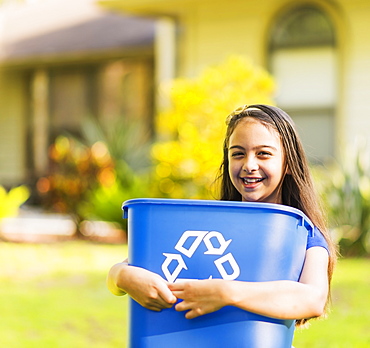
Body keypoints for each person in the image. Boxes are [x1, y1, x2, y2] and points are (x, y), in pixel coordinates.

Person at [107, 104, 337, 327]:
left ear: (288, 163)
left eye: (263, 154)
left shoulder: (303, 233)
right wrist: (122, 276)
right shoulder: (212, 223)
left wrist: (228, 292)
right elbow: (128, 268)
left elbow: (312, 298)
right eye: (238, 154)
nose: (249, 165)